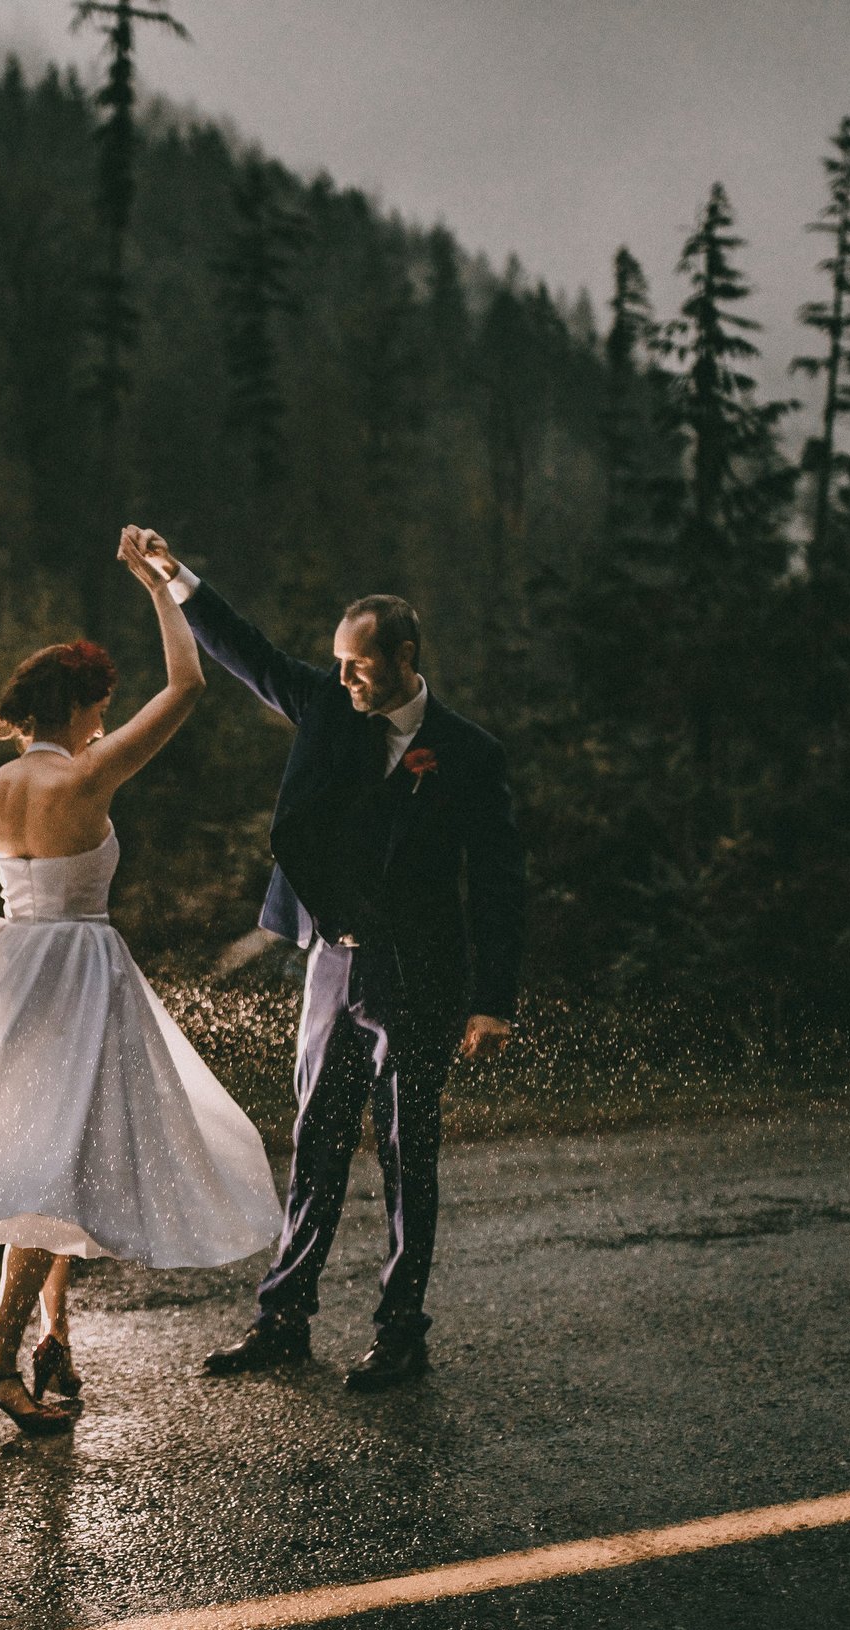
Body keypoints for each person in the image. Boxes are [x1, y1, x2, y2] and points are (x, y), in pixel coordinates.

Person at [0, 528, 282, 1439]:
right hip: (77, 978)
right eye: (101, 707)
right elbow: (189, 685)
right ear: (77, 710)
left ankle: (54, 1335)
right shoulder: (90, 772)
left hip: (7, 975)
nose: (107, 722)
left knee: (54, 1161)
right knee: (57, 1164)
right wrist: (159, 584)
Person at [130, 536, 526, 1392]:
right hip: (330, 966)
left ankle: (400, 1330)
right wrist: (176, 576)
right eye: (340, 664)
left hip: (419, 974)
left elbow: (497, 883)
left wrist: (492, 1000)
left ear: (404, 658)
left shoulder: (469, 754)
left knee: (404, 1151)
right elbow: (249, 652)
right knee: (314, 1142)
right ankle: (283, 1318)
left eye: (359, 665)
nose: (344, 678)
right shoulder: (324, 705)